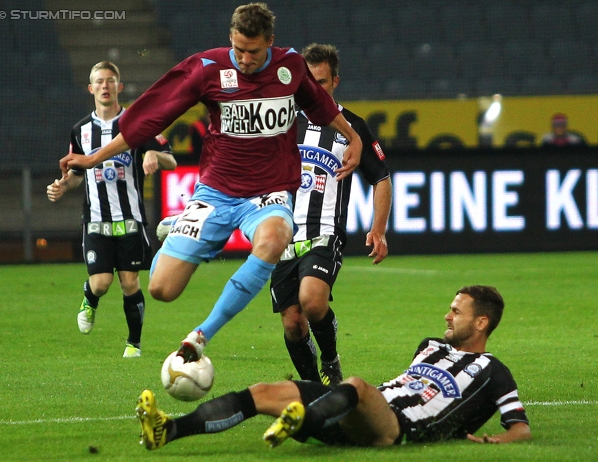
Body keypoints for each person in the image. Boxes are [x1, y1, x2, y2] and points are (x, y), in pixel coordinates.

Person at [58, 3, 362, 362]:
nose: (245, 59)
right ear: (230, 38)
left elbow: (320, 105)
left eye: (254, 51)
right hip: (216, 192)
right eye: (239, 49)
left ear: (270, 42)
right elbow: (149, 117)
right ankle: (179, 229)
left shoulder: (290, 66)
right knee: (161, 289)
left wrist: (351, 135)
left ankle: (201, 335)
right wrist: (94, 157)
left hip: (269, 191)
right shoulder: (207, 68)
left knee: (276, 239)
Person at [134, 285, 531, 450]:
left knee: (356, 384)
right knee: (264, 392)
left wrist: (497, 442)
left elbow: (520, 426)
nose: (447, 316)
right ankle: (168, 430)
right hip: (357, 410)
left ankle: (304, 420)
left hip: (398, 429)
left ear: (481, 323)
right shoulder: (428, 347)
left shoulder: (492, 370)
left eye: (457, 312)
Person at [270, 43, 392, 386]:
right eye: (306, 80)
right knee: (293, 323)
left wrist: (378, 229)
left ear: (335, 81)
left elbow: (380, 177)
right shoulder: (282, 123)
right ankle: (313, 389)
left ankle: (331, 357)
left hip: (326, 231)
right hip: (282, 237)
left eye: (320, 82)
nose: (311, 88)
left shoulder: (352, 126)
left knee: (311, 301)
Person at [47, 61, 176, 358]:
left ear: (119, 87)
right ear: (91, 89)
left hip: (129, 218)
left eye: (110, 81)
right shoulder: (80, 130)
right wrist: (63, 186)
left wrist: (154, 154)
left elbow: (171, 160)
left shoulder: (137, 124)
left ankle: (134, 344)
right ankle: (90, 298)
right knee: (102, 283)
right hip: (95, 220)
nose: (105, 86)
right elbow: (76, 173)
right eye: (99, 82)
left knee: (130, 282)